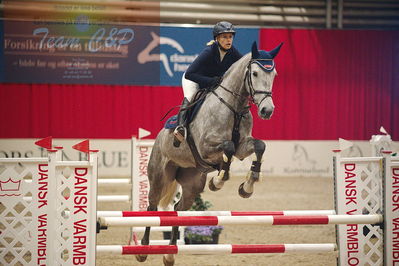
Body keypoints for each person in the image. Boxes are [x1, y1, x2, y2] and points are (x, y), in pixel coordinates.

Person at [173, 21, 243, 147]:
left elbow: (243, 64)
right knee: (190, 97)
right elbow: (190, 73)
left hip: (211, 82)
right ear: (217, 39)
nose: (228, 40)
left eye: (230, 37)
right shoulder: (209, 52)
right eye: (224, 37)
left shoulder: (233, 52)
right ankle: (180, 128)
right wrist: (210, 81)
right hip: (193, 79)